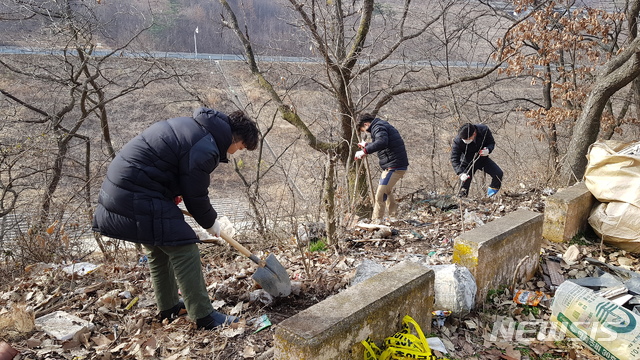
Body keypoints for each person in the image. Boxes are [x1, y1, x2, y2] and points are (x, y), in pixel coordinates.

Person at [92, 107, 259, 330]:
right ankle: (204, 316)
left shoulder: (196, 129)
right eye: (240, 147)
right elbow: (196, 195)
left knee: (159, 247)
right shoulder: (206, 146)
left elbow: (169, 166)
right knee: (185, 247)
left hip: (125, 188)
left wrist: (171, 190)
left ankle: (169, 307)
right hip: (136, 192)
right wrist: (211, 222)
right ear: (236, 138)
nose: (236, 152)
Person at [354, 113, 409, 223]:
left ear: (366, 124)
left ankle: (376, 220)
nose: (365, 132)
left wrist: (364, 151)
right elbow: (383, 142)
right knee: (386, 191)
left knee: (380, 194)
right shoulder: (380, 125)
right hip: (393, 165)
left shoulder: (378, 127)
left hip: (395, 166)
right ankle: (394, 217)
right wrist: (367, 145)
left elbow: (382, 142)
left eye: (363, 129)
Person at [451, 123, 503, 197]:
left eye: (467, 139)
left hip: (482, 159)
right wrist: (460, 173)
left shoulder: (484, 130)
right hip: (467, 163)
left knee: (498, 173)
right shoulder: (458, 140)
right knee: (464, 185)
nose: (465, 141)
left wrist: (488, 150)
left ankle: (491, 195)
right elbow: (454, 158)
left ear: (474, 134)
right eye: (464, 139)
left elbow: (491, 142)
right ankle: (461, 202)